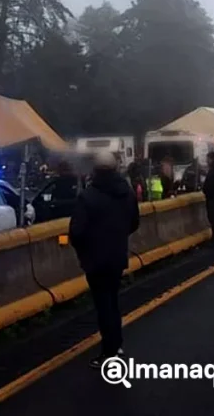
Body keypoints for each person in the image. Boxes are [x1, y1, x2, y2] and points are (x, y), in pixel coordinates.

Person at [69, 151, 141, 367]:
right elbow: (134, 222)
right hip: (117, 255)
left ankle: (109, 352)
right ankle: (116, 344)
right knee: (113, 301)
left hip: (95, 258)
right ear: (116, 168)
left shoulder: (88, 196)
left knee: (103, 305)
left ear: (94, 171)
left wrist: (85, 250)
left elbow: (77, 232)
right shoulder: (126, 193)